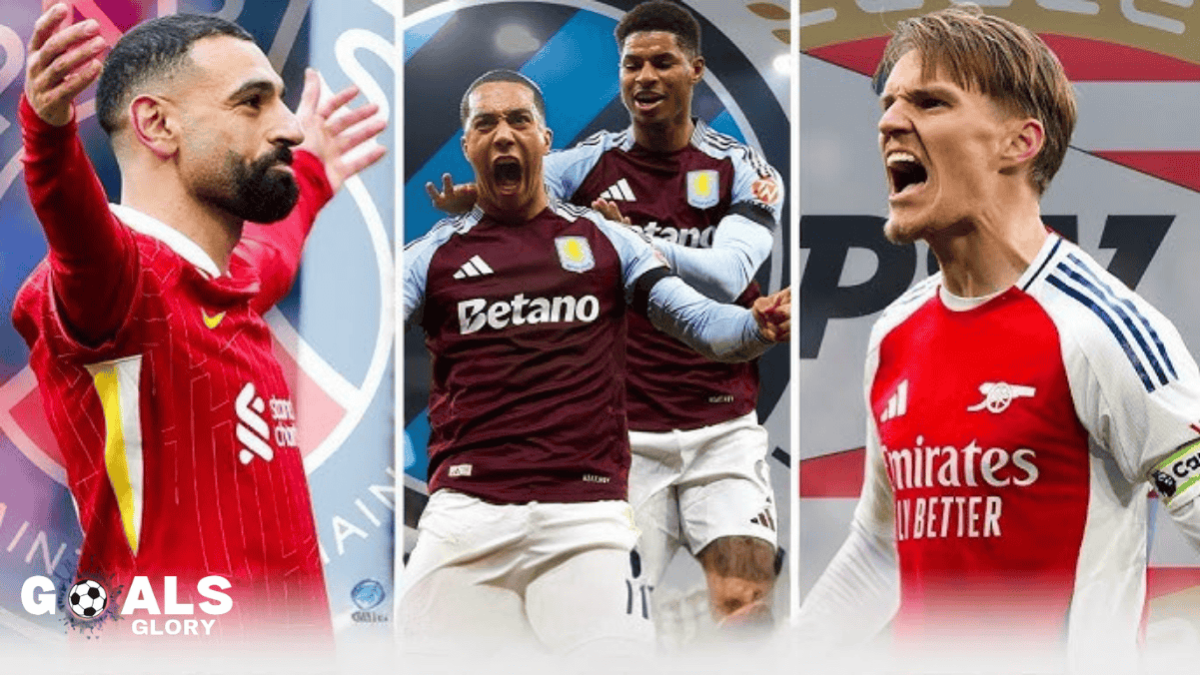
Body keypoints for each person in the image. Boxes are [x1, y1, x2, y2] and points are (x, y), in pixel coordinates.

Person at [796, 5, 1200, 671]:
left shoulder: (1102, 329)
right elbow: (879, 548)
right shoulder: (895, 332)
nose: (890, 121)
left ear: (1020, 142)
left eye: (930, 102)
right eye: (890, 102)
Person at [13, 5, 385, 641]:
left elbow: (275, 252)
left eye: (283, 102)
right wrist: (46, 136)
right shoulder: (116, 290)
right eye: (253, 103)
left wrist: (317, 174)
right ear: (157, 124)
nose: (291, 127)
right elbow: (76, 232)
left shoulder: (228, 280)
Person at [402, 69, 788, 658]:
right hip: (463, 517)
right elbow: (368, 329)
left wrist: (754, 327)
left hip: (587, 518)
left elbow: (701, 325)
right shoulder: (430, 257)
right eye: (486, 123)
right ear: (468, 146)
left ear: (545, 140)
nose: (503, 134)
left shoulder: (610, 242)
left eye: (518, 120)